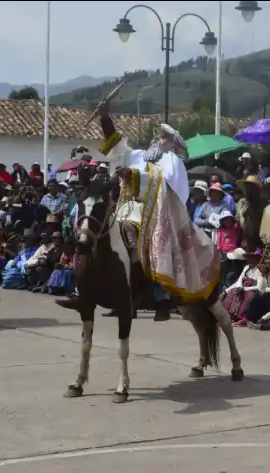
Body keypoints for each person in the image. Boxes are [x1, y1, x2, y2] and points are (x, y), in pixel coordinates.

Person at [60, 97, 219, 318]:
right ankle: (84, 289)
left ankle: (158, 294)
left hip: (157, 212)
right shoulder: (140, 156)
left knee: (141, 237)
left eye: (162, 137)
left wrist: (135, 176)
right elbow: (118, 148)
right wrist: (106, 119)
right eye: (156, 136)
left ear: (170, 143)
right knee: (94, 230)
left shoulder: (172, 160)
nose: (157, 140)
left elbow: (166, 183)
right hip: (126, 209)